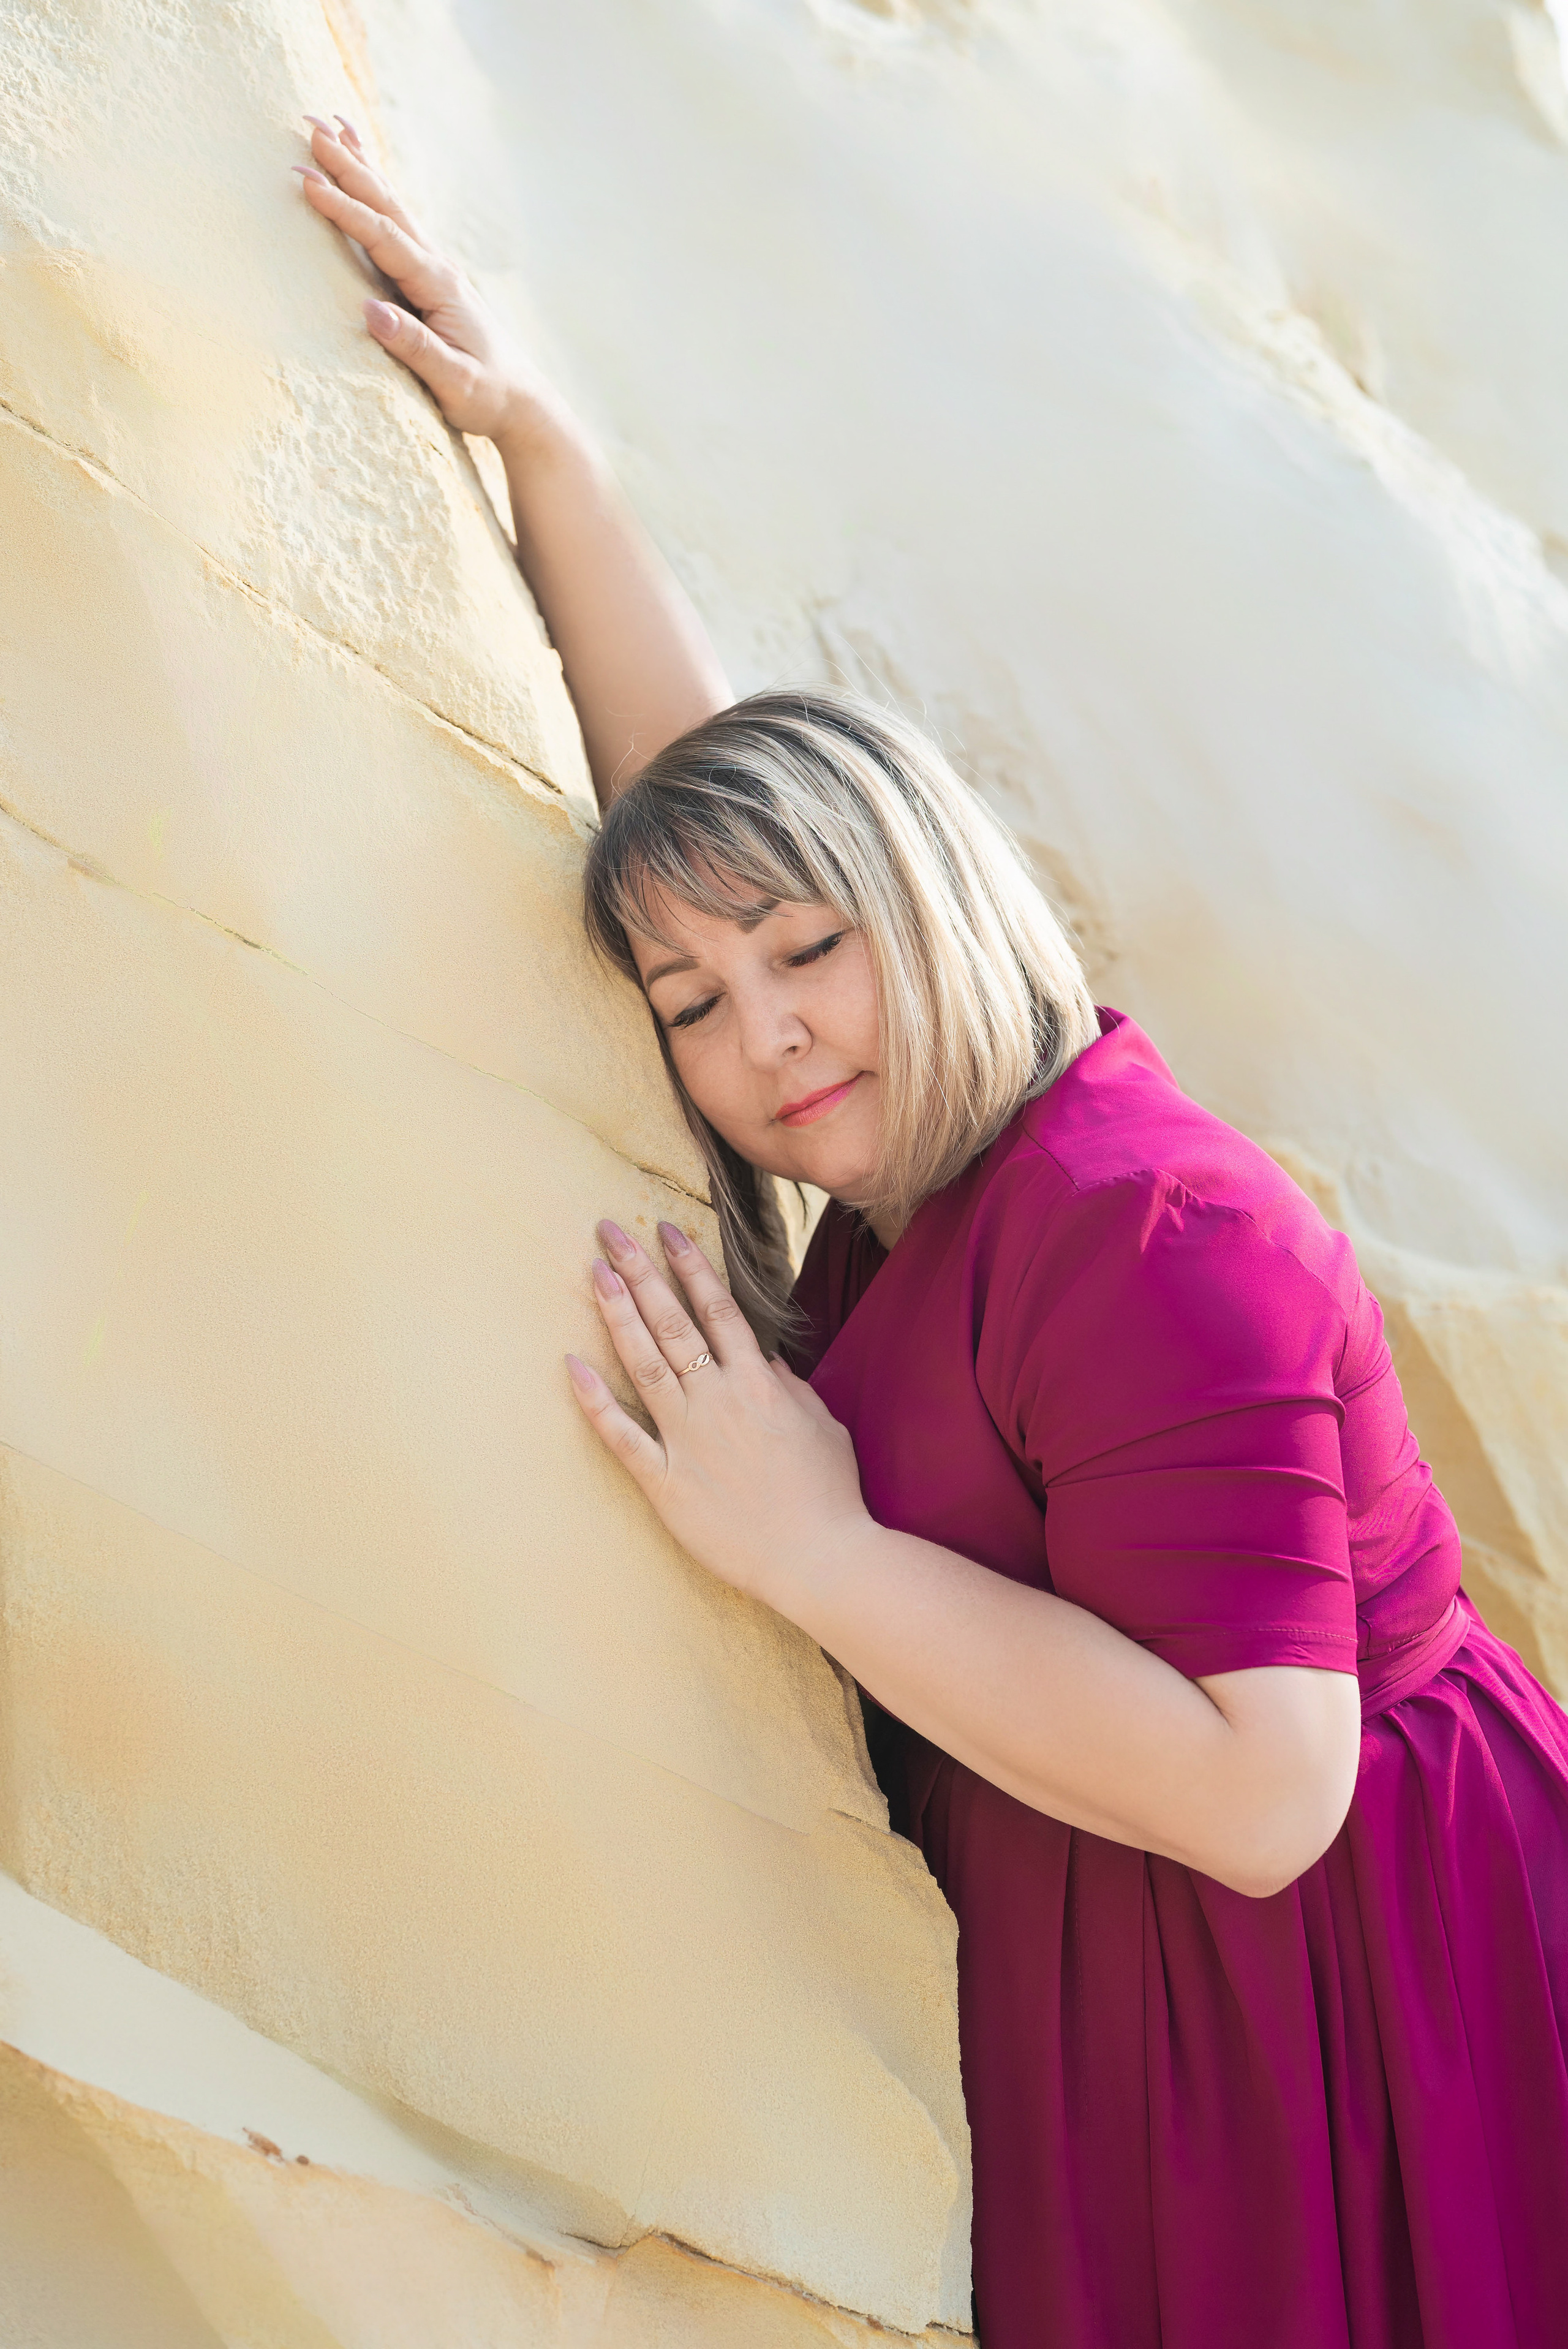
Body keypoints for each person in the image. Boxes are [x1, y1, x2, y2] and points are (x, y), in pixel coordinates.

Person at [295, 120, 1568, 2348]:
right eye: (691, 1005)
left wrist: (814, 1550)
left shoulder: (1151, 1228)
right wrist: (543, 460)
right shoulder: (929, 1161)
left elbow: (1267, 1795)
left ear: (934, 910)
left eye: (809, 954)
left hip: (1349, 1973)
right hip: (1125, 1929)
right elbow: (724, 823)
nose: (765, 1036)